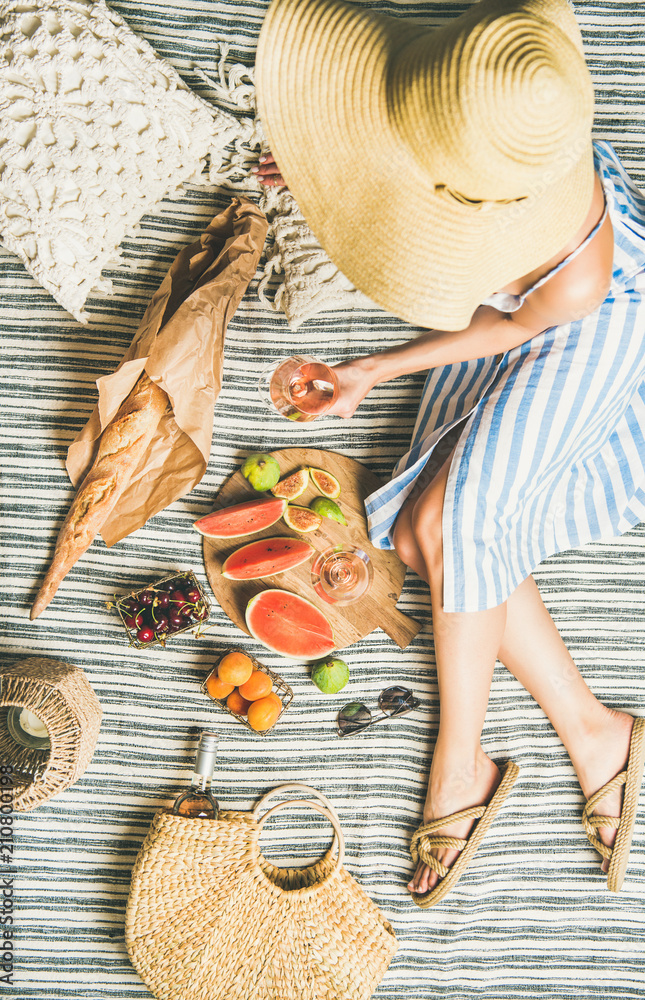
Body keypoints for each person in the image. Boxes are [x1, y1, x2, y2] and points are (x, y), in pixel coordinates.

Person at [254, 0, 645, 906]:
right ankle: (595, 733)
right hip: (526, 306)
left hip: (590, 329)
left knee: (451, 521)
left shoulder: (575, 268)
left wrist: (374, 369)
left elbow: (506, 326)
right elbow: (384, 143)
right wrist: (321, 169)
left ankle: (458, 763)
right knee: (429, 531)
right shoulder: (481, 86)